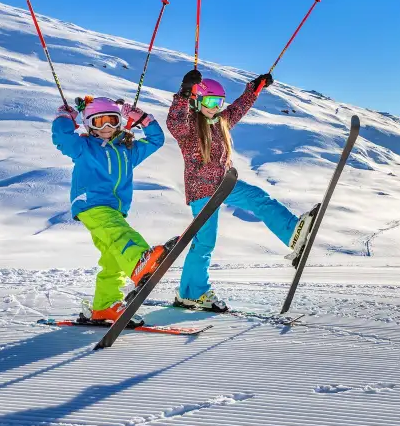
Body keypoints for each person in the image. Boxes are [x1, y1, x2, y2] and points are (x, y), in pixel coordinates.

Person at [166, 69, 318, 312]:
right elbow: (174, 122)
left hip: (225, 184)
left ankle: (292, 234)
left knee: (260, 199)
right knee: (205, 242)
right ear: (198, 100)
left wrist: (255, 88)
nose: (215, 107)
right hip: (202, 189)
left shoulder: (222, 121)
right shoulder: (190, 126)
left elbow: (239, 108)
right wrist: (184, 92)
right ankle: (191, 293)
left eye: (219, 102)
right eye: (210, 102)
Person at [51, 96, 168, 323]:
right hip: (92, 204)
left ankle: (104, 306)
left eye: (111, 120)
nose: (105, 127)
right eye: (98, 122)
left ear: (119, 122)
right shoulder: (84, 148)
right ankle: (139, 261)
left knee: (112, 258)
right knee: (121, 235)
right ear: (88, 125)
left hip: (115, 209)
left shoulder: (128, 150)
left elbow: (156, 140)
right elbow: (62, 138)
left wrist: (143, 118)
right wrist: (66, 117)